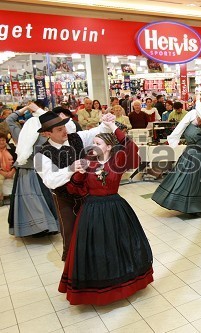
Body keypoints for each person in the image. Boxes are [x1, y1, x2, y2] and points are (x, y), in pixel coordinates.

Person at [58, 126, 153, 305]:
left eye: (98, 143)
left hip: (115, 207)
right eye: (92, 143)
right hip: (92, 210)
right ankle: (96, 289)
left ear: (109, 146)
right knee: (96, 247)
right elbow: (74, 190)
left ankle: (124, 285)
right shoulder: (88, 161)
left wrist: (114, 128)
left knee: (119, 244)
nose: (93, 146)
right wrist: (78, 174)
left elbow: (131, 148)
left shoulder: (118, 160)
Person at [35, 109, 114, 261]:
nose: (64, 131)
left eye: (64, 126)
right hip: (65, 200)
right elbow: (49, 180)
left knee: (95, 230)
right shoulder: (40, 154)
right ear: (47, 134)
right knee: (71, 235)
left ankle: (98, 264)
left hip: (89, 196)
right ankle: (74, 271)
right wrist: (71, 169)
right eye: (59, 129)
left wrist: (106, 121)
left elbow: (99, 131)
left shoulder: (77, 138)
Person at [152, 102, 201, 214]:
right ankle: (195, 207)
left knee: (185, 181)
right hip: (197, 158)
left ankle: (194, 207)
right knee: (195, 183)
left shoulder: (192, 127)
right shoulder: (194, 131)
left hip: (190, 155)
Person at [6, 105, 59, 236]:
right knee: (42, 198)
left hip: (25, 172)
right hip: (41, 171)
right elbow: (55, 121)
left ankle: (35, 228)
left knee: (28, 200)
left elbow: (9, 120)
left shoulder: (21, 136)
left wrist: (23, 109)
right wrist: (38, 111)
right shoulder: (44, 136)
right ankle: (46, 226)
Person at [0, 132, 15, 206]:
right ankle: (1, 199)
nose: (1, 142)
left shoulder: (11, 147)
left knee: (21, 176)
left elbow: (17, 160)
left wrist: (13, 170)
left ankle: (17, 196)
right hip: (1, 171)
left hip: (13, 169)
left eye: (3, 140)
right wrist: (3, 172)